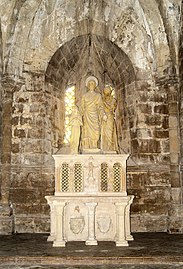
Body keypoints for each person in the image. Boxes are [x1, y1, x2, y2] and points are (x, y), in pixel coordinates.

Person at [81, 76, 106, 153]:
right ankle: (86, 145)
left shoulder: (98, 96)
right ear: (88, 85)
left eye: (93, 83)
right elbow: (82, 107)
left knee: (96, 130)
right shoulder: (84, 96)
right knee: (86, 130)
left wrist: (103, 114)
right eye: (90, 83)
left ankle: (94, 145)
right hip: (87, 115)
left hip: (94, 115)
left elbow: (100, 107)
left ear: (95, 85)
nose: (91, 85)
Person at [101, 85, 119, 153]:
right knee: (104, 132)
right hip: (103, 118)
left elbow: (112, 108)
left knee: (110, 132)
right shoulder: (102, 100)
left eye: (108, 90)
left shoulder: (113, 100)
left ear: (110, 91)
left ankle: (110, 147)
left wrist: (104, 104)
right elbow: (100, 109)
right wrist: (103, 114)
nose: (106, 91)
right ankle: (105, 147)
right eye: (105, 90)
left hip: (110, 117)